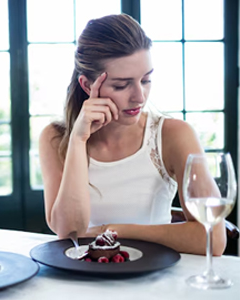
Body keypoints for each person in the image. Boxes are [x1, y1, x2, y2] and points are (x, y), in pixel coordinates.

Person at [39, 14, 226, 256]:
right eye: (121, 85)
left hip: (156, 282)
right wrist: (78, 140)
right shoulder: (55, 138)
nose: (139, 96)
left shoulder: (174, 135)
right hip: (84, 281)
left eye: (146, 80)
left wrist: (113, 231)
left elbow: (213, 239)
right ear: (87, 86)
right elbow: (70, 233)